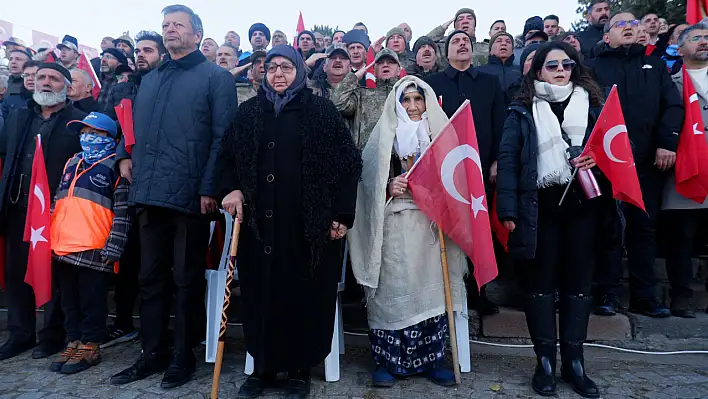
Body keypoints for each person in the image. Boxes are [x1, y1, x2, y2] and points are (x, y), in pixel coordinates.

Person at [220, 44, 362, 399]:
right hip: (259, 228)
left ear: (299, 70)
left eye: (286, 67)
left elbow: (349, 164)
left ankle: (300, 370)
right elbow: (225, 157)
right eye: (272, 67)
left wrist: (342, 215)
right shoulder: (250, 112)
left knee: (303, 296)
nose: (278, 73)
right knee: (261, 296)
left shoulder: (321, 111)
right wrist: (231, 189)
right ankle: (262, 368)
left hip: (309, 229)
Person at [110, 5, 237, 389]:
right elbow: (130, 126)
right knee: (149, 278)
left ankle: (183, 355)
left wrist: (208, 188)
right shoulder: (149, 79)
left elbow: (224, 137)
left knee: (185, 279)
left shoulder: (216, 78)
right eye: (166, 25)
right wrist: (122, 156)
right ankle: (153, 353)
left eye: (178, 25)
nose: (169, 30)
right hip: (147, 192)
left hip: (190, 195)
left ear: (197, 34)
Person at [497, 42, 606, 399]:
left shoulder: (594, 107)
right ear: (538, 70)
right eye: (552, 64)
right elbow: (509, 160)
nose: (560, 70)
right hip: (538, 207)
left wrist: (597, 160)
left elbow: (617, 151)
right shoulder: (522, 109)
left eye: (566, 64)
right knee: (540, 286)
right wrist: (508, 211)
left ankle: (574, 363)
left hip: (583, 207)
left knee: (578, 286)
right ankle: (544, 363)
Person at [348, 76, 464, 388]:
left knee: (432, 292)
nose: (413, 106)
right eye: (406, 100)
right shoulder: (382, 136)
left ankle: (433, 360)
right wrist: (388, 186)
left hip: (430, 227)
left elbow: (457, 178)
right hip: (391, 225)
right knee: (392, 290)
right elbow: (366, 182)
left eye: (418, 99)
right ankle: (387, 362)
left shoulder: (441, 136)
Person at [586, 11, 684, 318]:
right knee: (608, 229)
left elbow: (672, 105)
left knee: (644, 229)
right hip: (606, 164)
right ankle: (607, 294)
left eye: (632, 23)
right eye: (620, 24)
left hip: (646, 161)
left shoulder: (655, 66)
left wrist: (667, 143)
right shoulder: (592, 68)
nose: (628, 27)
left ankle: (645, 296)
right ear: (606, 36)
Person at [0, 63, 86, 361]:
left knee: (54, 275)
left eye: (53, 78)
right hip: (16, 208)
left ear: (66, 86)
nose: (46, 83)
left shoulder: (79, 122)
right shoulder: (17, 116)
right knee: (15, 274)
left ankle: (52, 335)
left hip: (57, 212)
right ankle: (20, 334)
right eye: (41, 78)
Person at [425, 29, 506, 314]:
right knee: (449, 228)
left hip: (480, 168)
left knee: (478, 226)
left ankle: (479, 291)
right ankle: (446, 289)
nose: (462, 44)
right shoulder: (431, 84)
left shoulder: (490, 82)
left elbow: (500, 124)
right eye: (456, 41)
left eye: (466, 41)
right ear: (445, 53)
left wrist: (496, 160)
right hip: (444, 169)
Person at [49, 112, 131, 374]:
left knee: (92, 300)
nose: (88, 138)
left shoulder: (115, 167)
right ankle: (73, 340)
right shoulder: (72, 162)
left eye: (96, 133)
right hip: (62, 246)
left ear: (111, 138)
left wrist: (115, 246)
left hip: (95, 248)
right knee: (68, 300)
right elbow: (58, 199)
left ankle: (91, 345)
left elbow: (123, 213)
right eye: (84, 133)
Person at [100, 30, 166, 350]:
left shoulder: (168, 86)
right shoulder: (123, 88)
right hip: (128, 181)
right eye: (138, 50)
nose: (141, 55)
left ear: (163, 56)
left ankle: (159, 329)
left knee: (157, 260)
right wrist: (122, 155)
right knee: (128, 254)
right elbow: (112, 126)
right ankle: (123, 322)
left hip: (163, 182)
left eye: (149, 50)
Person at [661, 22, 708, 319]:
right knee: (681, 238)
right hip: (684, 169)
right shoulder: (670, 83)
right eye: (696, 38)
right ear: (680, 48)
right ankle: (681, 295)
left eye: (707, 38)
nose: (704, 42)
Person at [333, 48, 401, 148]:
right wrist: (353, 77)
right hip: (367, 158)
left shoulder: (407, 94)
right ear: (374, 70)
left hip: (401, 159)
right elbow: (338, 105)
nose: (385, 65)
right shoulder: (361, 94)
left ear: (399, 70)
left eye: (390, 62)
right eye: (380, 63)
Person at [2, 49, 31, 116]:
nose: (13, 62)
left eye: (18, 59)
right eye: (11, 59)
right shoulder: (4, 82)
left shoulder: (33, 84)